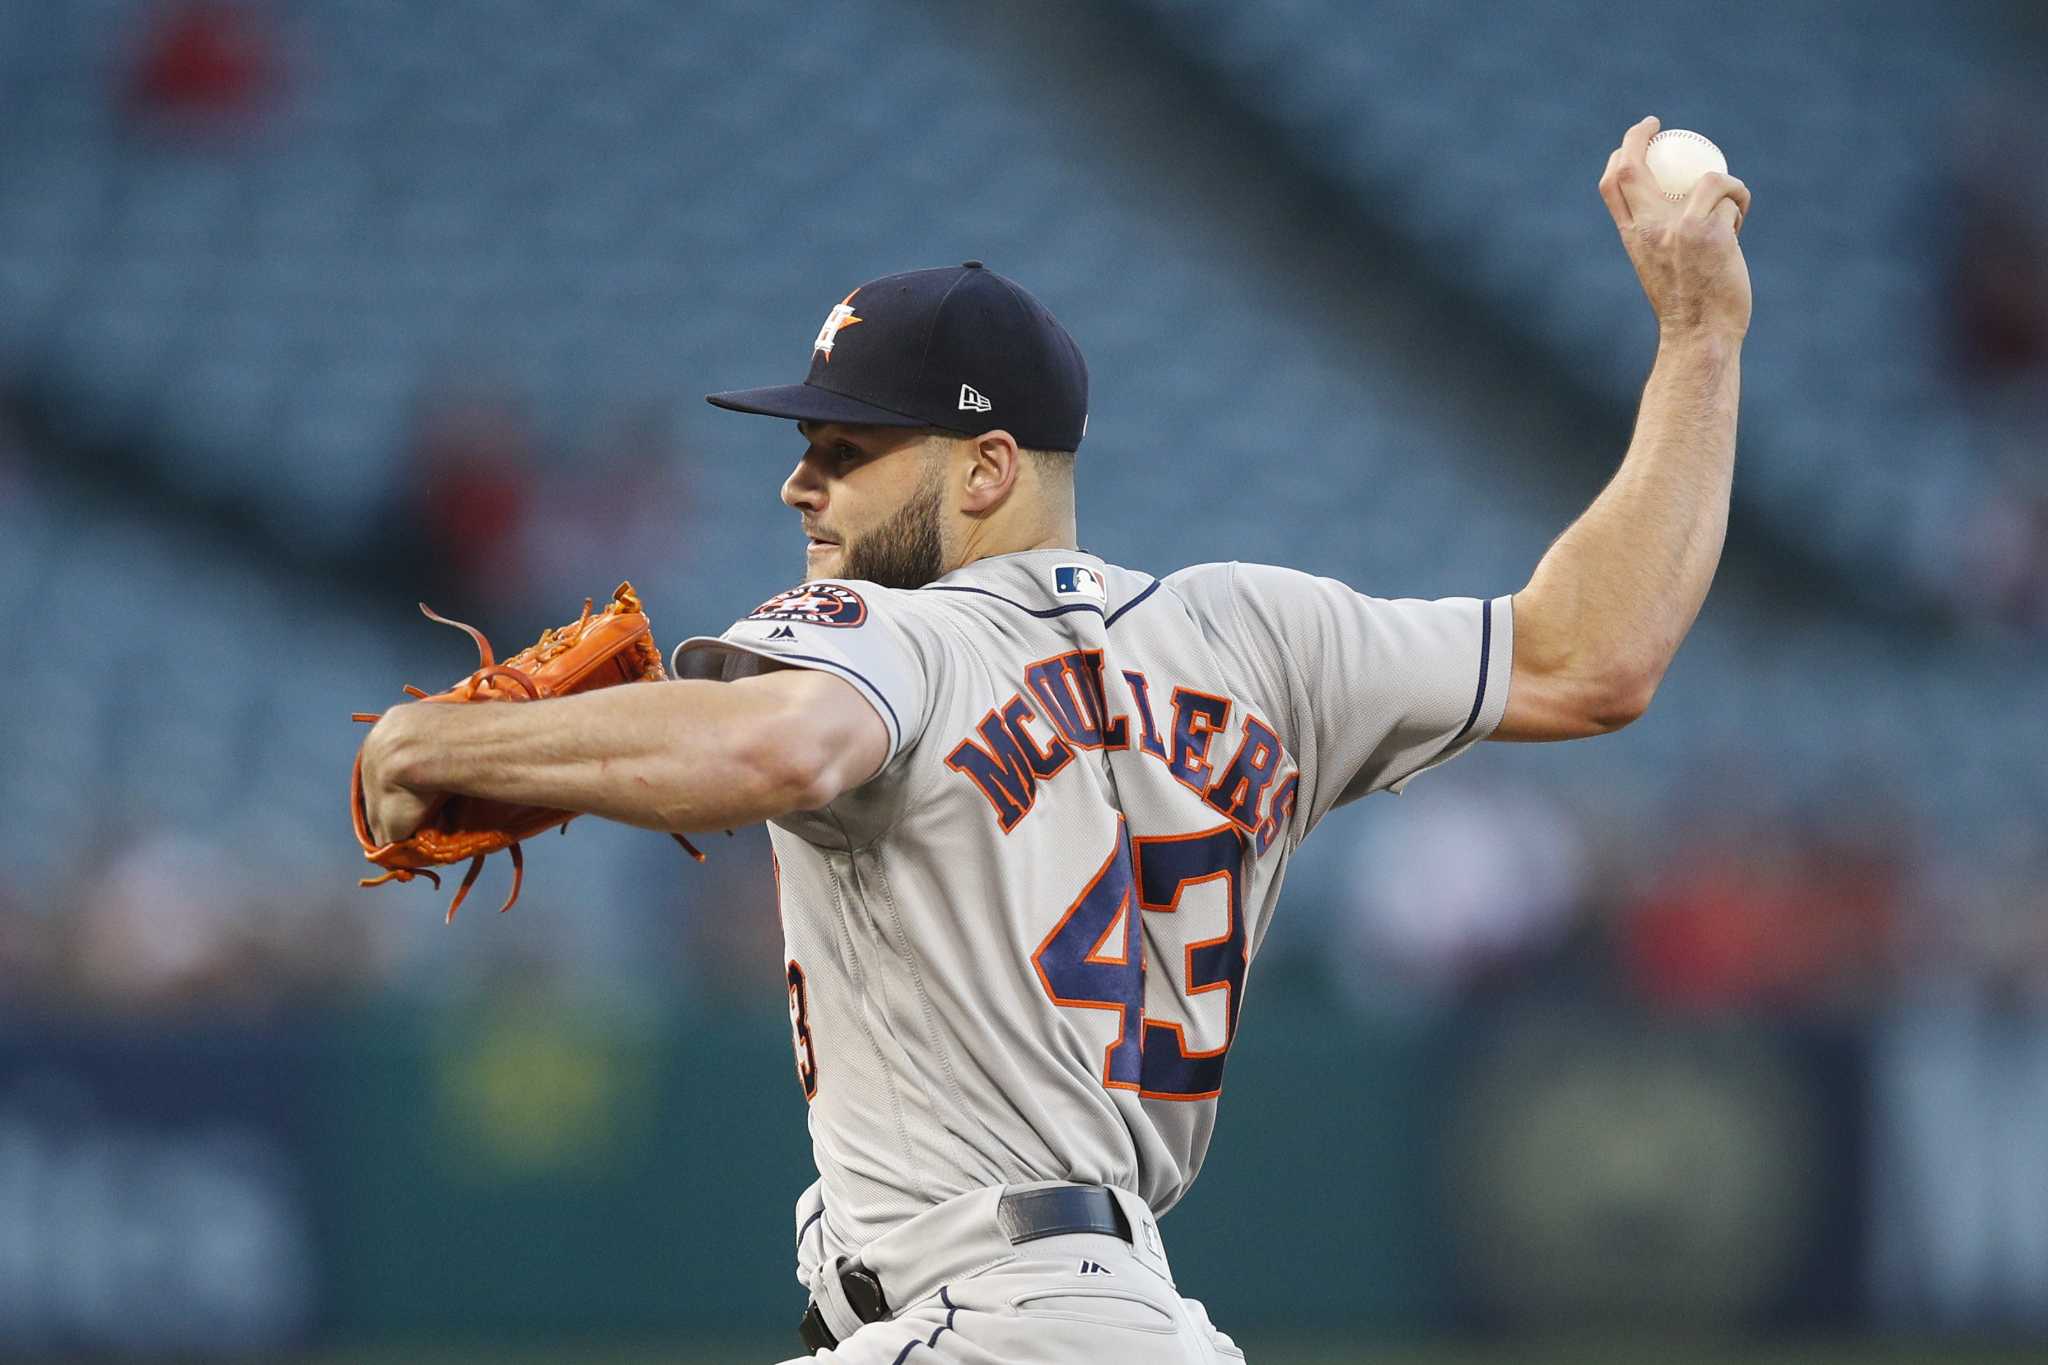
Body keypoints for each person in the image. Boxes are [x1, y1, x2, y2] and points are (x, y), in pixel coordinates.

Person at [358, 116, 1751, 1362]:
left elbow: (779, 746)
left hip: (977, 1322)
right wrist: (1700, 346)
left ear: (984, 466)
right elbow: (1592, 656)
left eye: (846, 448)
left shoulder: (888, 631)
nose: (798, 481)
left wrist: (443, 746)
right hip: (1143, 1325)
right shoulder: (1257, 639)